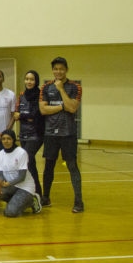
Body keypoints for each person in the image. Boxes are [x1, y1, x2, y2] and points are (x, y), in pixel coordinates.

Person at [39, 57, 83, 213]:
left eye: (61, 69)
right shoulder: (45, 87)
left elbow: (72, 108)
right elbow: (43, 110)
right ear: (52, 70)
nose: (58, 71)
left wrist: (61, 90)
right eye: (55, 69)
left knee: (72, 166)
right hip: (50, 133)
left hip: (68, 133)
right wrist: (62, 106)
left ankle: (78, 202)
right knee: (48, 167)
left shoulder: (75, 87)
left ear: (66, 70)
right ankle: (45, 197)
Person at [0, 129, 41, 217]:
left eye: (8, 139)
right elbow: (0, 173)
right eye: (3, 139)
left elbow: (22, 177)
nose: (6, 141)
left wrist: (8, 183)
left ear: (13, 140)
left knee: (10, 213)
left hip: (24, 187)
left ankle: (32, 200)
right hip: (11, 186)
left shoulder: (21, 153)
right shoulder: (0, 154)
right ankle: (16, 202)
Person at [14, 70, 44, 198]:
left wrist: (21, 116)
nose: (29, 81)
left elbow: (35, 115)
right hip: (23, 134)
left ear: (36, 81)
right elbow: (17, 115)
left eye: (31, 79)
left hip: (36, 134)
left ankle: (37, 192)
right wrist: (23, 116)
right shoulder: (22, 95)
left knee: (27, 160)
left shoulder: (40, 96)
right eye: (27, 79)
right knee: (29, 163)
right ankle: (32, 191)